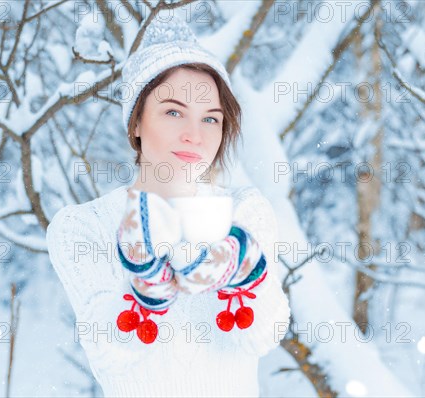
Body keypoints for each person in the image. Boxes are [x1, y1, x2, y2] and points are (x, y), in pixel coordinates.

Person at [46, 14, 290, 397]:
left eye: (211, 119)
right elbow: (108, 352)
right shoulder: (83, 226)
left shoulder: (244, 213)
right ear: (136, 122)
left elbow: (265, 333)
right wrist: (148, 287)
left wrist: (239, 268)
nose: (194, 135)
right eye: (173, 112)